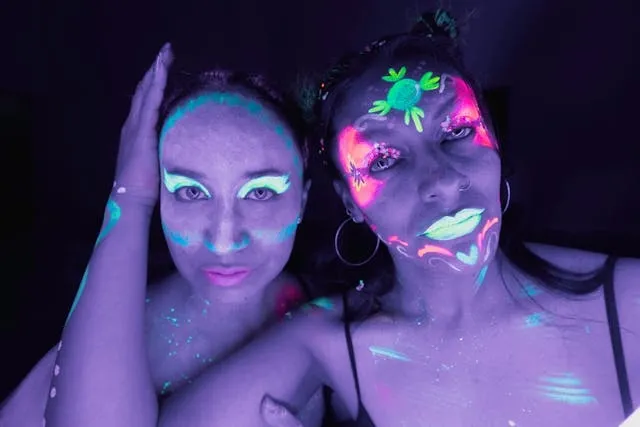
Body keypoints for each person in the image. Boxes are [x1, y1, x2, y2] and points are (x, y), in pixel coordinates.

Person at [157, 10, 639, 427]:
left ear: (493, 140)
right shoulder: (326, 344)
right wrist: (131, 196)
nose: (441, 180)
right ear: (350, 201)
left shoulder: (631, 304)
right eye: (384, 159)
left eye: (456, 131)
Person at [0, 43, 326, 427]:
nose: (223, 241)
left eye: (260, 192)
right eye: (191, 192)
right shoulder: (120, 327)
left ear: (302, 202)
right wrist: (129, 197)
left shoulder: (346, 328)